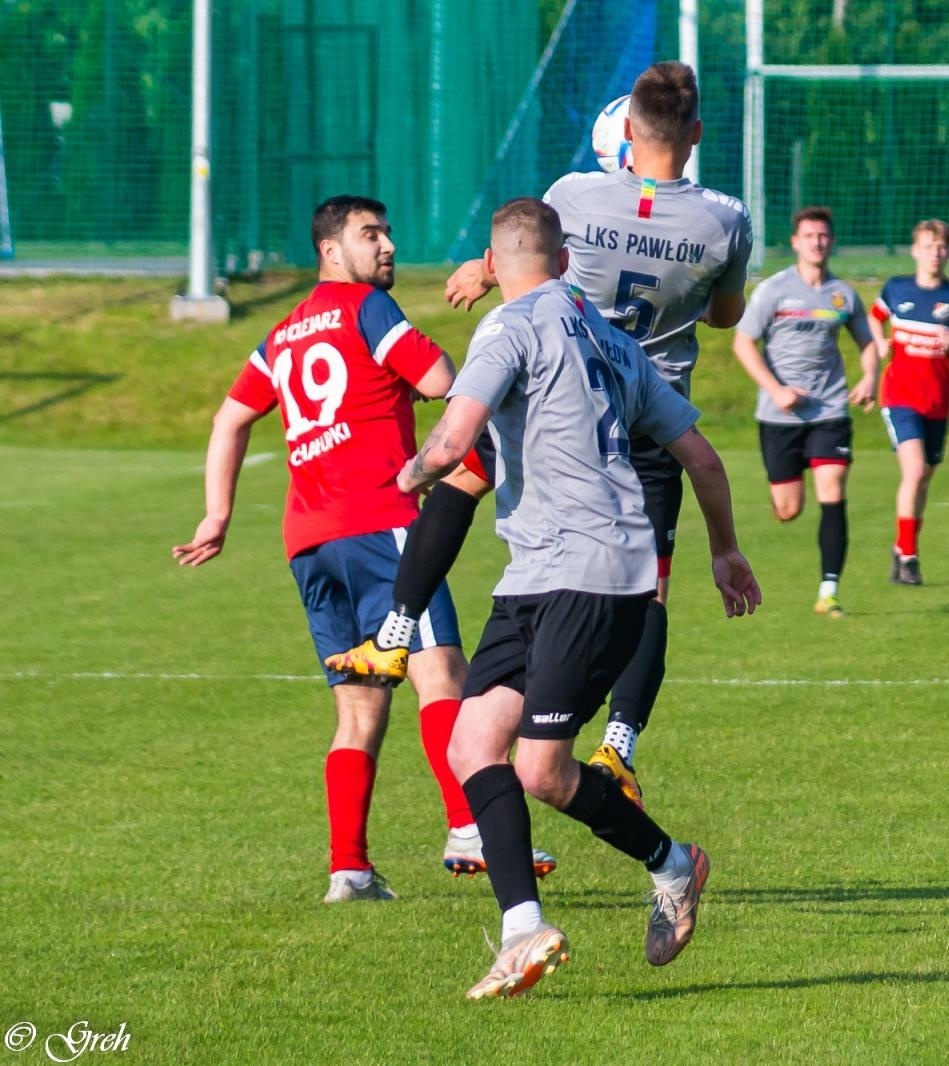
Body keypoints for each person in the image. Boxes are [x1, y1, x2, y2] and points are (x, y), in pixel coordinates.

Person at [328, 60, 750, 810]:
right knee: (648, 587)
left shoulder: (574, 195)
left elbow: (536, 256)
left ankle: (396, 629)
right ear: (697, 134)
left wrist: (486, 271)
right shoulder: (725, 219)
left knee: (460, 479)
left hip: (559, 386)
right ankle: (619, 746)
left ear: (623, 132)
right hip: (647, 411)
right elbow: (723, 316)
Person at [394, 197, 760, 999]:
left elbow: (453, 442)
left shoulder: (507, 328)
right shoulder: (617, 343)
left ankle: (671, 864)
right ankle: (527, 928)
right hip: (540, 574)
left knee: (541, 770)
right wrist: (725, 552)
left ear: (493, 265)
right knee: (472, 745)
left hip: (586, 576)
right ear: (563, 262)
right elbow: (699, 457)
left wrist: (408, 476)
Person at [172, 195, 553, 902]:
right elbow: (444, 384)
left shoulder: (281, 334)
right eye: (369, 234)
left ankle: (348, 868)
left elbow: (230, 420)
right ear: (330, 250)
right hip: (383, 524)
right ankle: (468, 824)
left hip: (309, 542)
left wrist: (215, 516)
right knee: (440, 672)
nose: (386, 245)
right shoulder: (366, 309)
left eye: (387, 231)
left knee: (359, 706)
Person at [732, 206, 878, 618]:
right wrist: (776, 390)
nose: (817, 242)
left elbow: (868, 343)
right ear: (795, 242)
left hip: (830, 409)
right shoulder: (774, 291)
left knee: (832, 491)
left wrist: (869, 378)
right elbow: (743, 344)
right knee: (789, 508)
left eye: (823, 235)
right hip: (780, 418)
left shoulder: (843, 294)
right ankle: (783, 505)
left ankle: (828, 591)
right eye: (809, 235)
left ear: (831, 241)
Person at [869, 219, 949, 586]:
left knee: (923, 480)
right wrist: (879, 344)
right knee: (916, 470)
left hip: (937, 402)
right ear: (914, 250)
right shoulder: (897, 289)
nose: (934, 253)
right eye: (927, 246)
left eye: (941, 247)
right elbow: (874, 319)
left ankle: (903, 545)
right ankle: (908, 558)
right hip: (899, 396)